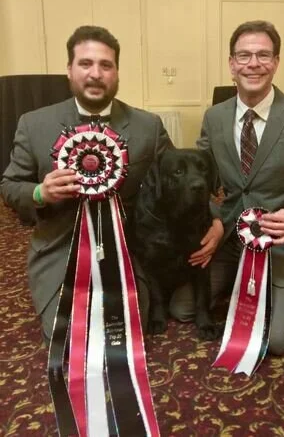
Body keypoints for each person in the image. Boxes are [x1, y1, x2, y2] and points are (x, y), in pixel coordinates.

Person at [1, 25, 175, 344]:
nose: (96, 74)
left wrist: (215, 218)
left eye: (105, 65)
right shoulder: (34, 124)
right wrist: (40, 192)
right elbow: (11, 185)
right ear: (69, 70)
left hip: (127, 250)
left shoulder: (148, 127)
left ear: (117, 72)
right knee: (72, 336)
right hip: (60, 249)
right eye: (85, 64)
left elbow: (179, 177)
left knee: (122, 332)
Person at [188, 20, 284, 355]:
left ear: (276, 62)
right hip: (227, 235)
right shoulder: (214, 117)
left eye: (263, 55)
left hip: (279, 241)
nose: (253, 63)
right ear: (231, 64)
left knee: (280, 342)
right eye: (244, 55)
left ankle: (268, 287)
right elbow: (203, 181)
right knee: (183, 309)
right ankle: (240, 283)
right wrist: (213, 219)